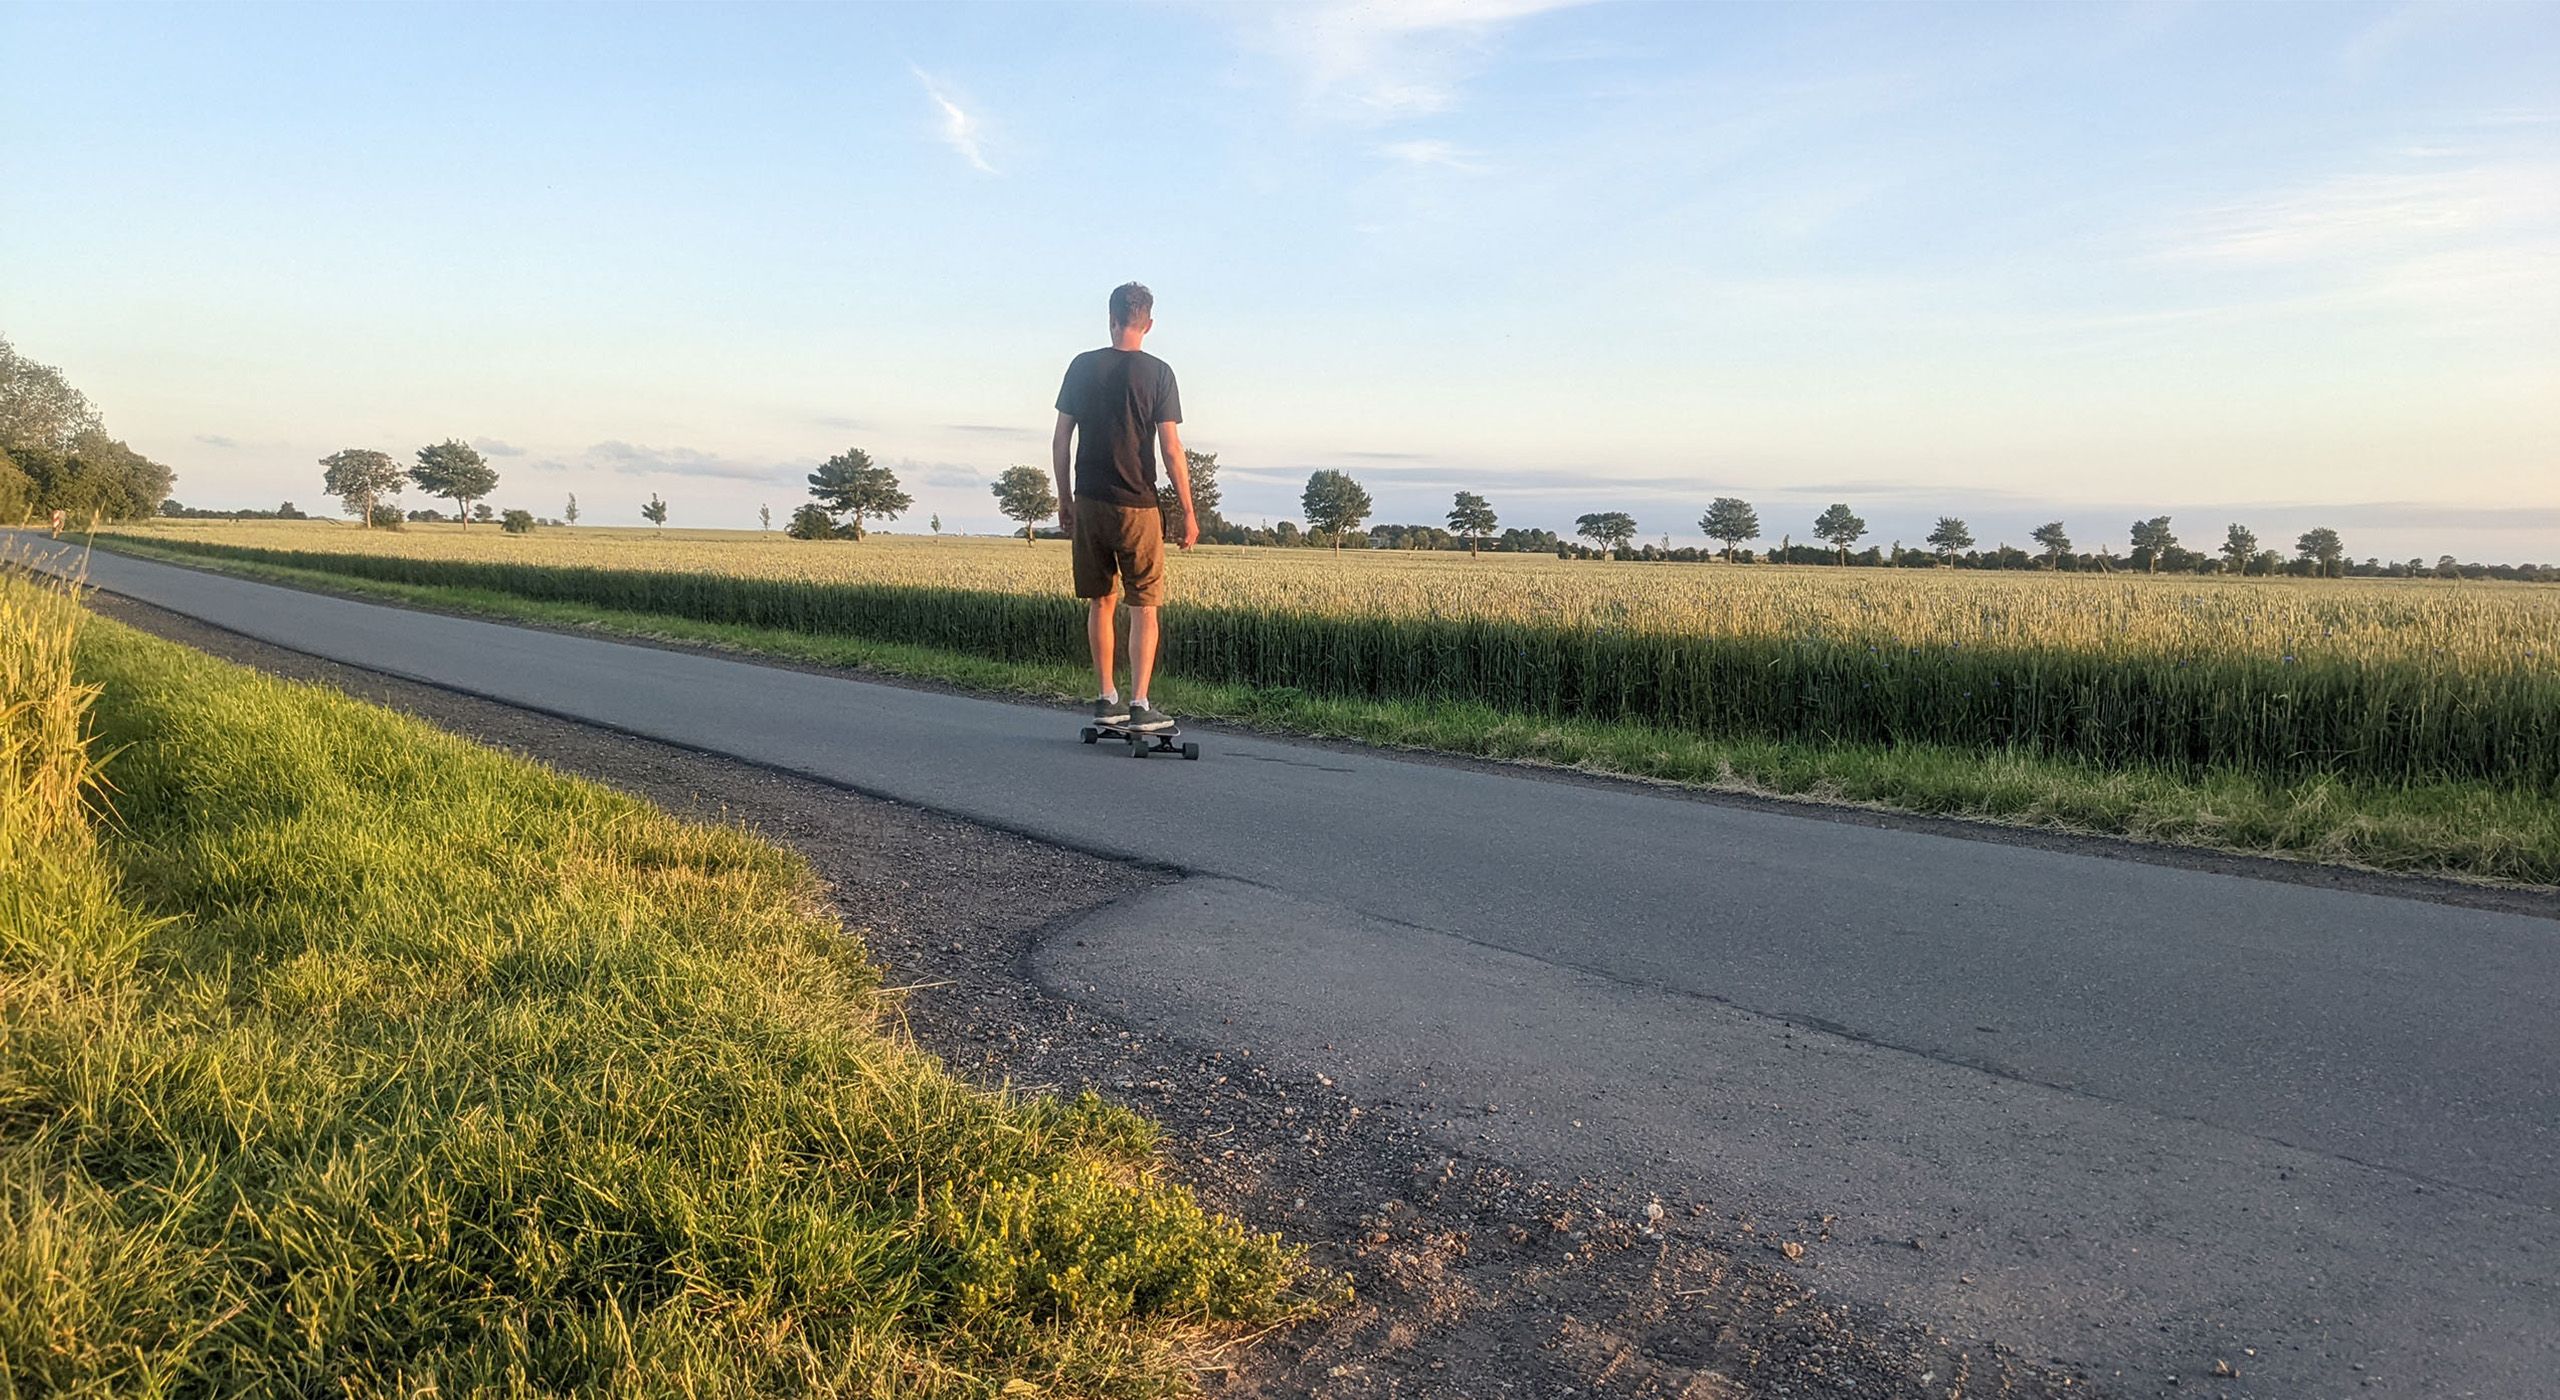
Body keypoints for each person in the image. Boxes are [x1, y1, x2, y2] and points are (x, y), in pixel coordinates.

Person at [1052, 282, 1196, 732]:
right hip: (1138, 505)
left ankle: (1106, 697)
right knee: (1144, 605)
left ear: (1110, 317)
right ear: (1148, 323)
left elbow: (1061, 439)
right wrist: (1189, 512)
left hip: (1090, 499)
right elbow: (1171, 450)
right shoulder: (1159, 374)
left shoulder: (1081, 366)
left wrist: (1064, 497)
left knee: (1100, 601)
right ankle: (1139, 703)